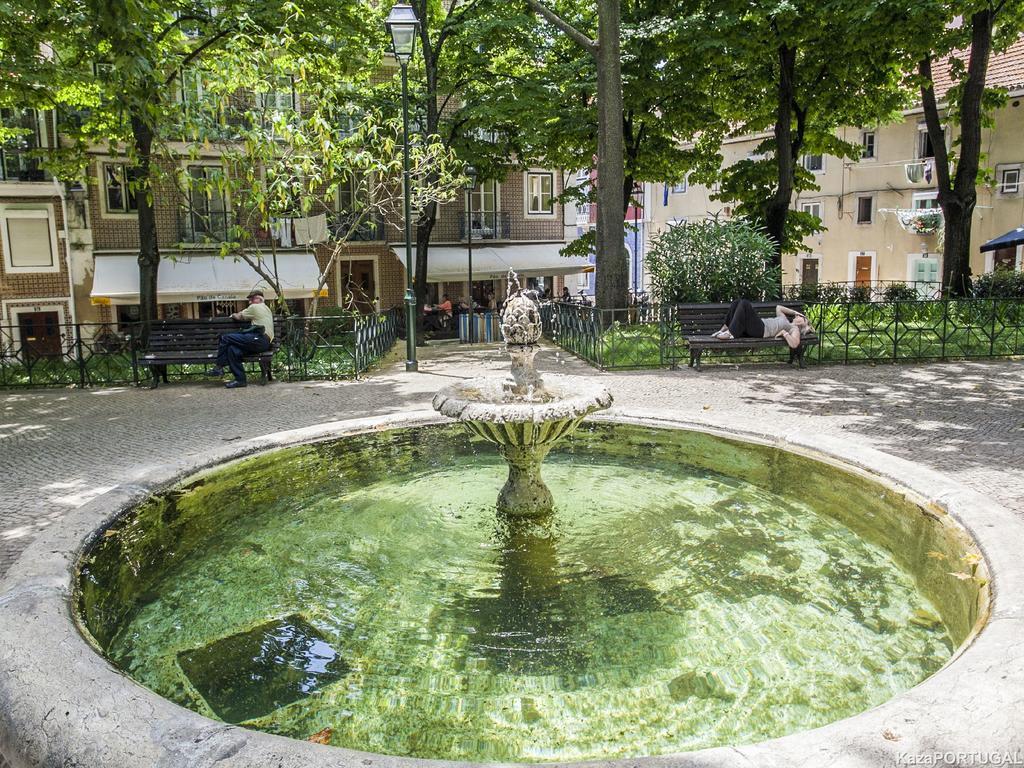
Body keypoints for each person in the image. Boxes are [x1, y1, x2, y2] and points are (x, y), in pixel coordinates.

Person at [207, 289, 274, 388]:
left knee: (225, 338)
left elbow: (238, 316)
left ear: (259, 299)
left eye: (252, 299)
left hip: (259, 338)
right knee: (232, 350)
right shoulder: (267, 309)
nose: (250, 302)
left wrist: (232, 314)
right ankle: (240, 380)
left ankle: (219, 367)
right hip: (263, 343)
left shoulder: (255, 307)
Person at [712, 299, 812, 349]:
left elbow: (794, 344)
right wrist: (795, 312)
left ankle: (730, 333)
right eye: (800, 315)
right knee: (737, 302)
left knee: (745, 304)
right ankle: (724, 329)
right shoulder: (784, 318)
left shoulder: (794, 329)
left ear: (803, 323)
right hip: (757, 325)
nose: (799, 316)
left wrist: (784, 333)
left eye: (802, 317)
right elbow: (778, 307)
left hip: (761, 330)